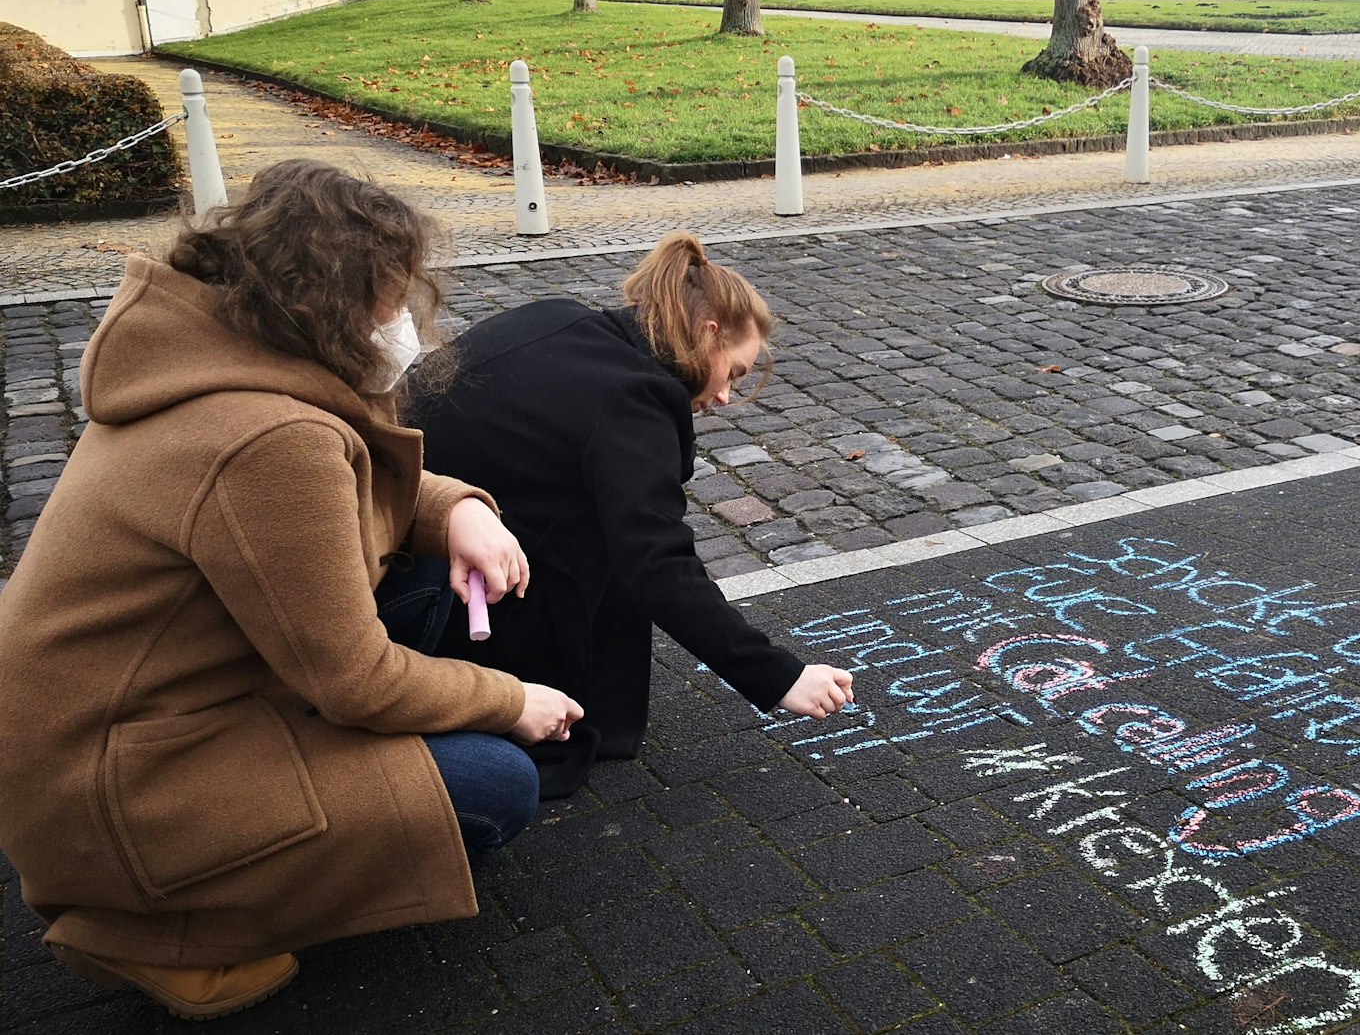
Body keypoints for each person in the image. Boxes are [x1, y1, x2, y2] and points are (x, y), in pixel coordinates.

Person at [0, 160, 583, 1021]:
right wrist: (509, 699)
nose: (403, 320)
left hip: (91, 739)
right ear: (333, 305)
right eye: (390, 298)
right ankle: (149, 927)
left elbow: (337, 495)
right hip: (127, 786)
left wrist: (458, 507)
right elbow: (356, 679)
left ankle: (204, 871)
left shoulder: (207, 360)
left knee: (425, 578)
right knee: (497, 782)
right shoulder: (268, 437)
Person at [408, 231, 852, 793]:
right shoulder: (632, 399)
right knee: (616, 544)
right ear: (707, 331)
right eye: (734, 373)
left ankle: (595, 709)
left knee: (609, 523)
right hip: (427, 574)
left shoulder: (564, 317)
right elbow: (659, 563)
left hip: (412, 511)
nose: (725, 399)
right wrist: (779, 676)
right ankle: (548, 721)